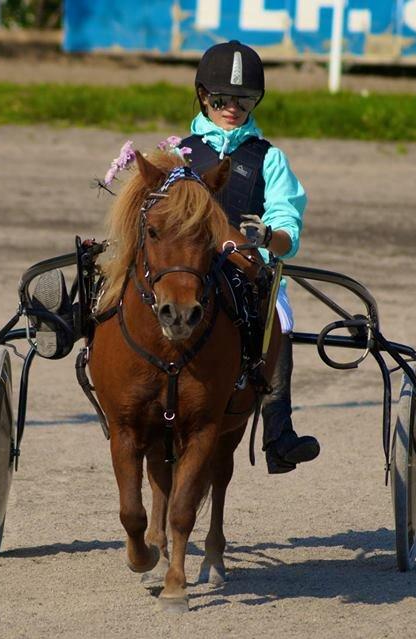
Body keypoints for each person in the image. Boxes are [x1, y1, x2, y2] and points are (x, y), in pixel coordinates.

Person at [181, 40, 320, 474]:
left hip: (248, 267)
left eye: (245, 100)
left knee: (277, 315)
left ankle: (278, 431)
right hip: (187, 264)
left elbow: (287, 228)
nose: (232, 108)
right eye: (222, 99)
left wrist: (270, 235)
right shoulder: (180, 153)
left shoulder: (270, 159)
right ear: (203, 97)